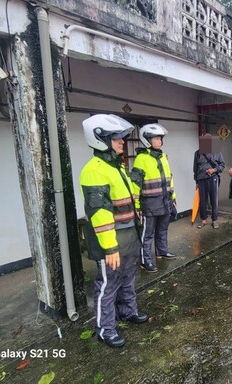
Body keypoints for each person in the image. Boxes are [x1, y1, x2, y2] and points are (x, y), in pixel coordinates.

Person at [79, 114, 148, 349]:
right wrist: (110, 247)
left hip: (129, 235)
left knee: (128, 278)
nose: (122, 142)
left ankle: (128, 312)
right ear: (101, 139)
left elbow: (129, 200)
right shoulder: (95, 170)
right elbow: (99, 212)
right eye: (117, 138)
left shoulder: (116, 167)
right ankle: (106, 329)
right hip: (113, 239)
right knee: (108, 285)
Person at [131, 123, 177, 273]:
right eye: (156, 138)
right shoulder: (141, 159)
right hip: (149, 203)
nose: (160, 141)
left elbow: (169, 178)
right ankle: (145, 261)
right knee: (148, 233)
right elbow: (135, 184)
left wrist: (173, 197)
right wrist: (137, 205)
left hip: (165, 201)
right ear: (147, 140)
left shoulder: (163, 156)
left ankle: (161, 251)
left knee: (163, 229)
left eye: (160, 138)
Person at [193, 133, 225, 229]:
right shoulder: (197, 153)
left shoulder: (217, 152)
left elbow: (222, 166)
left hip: (213, 178)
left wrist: (214, 170)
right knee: (202, 200)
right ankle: (203, 220)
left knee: (213, 200)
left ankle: (214, 220)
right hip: (201, 179)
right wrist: (196, 182)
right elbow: (195, 168)